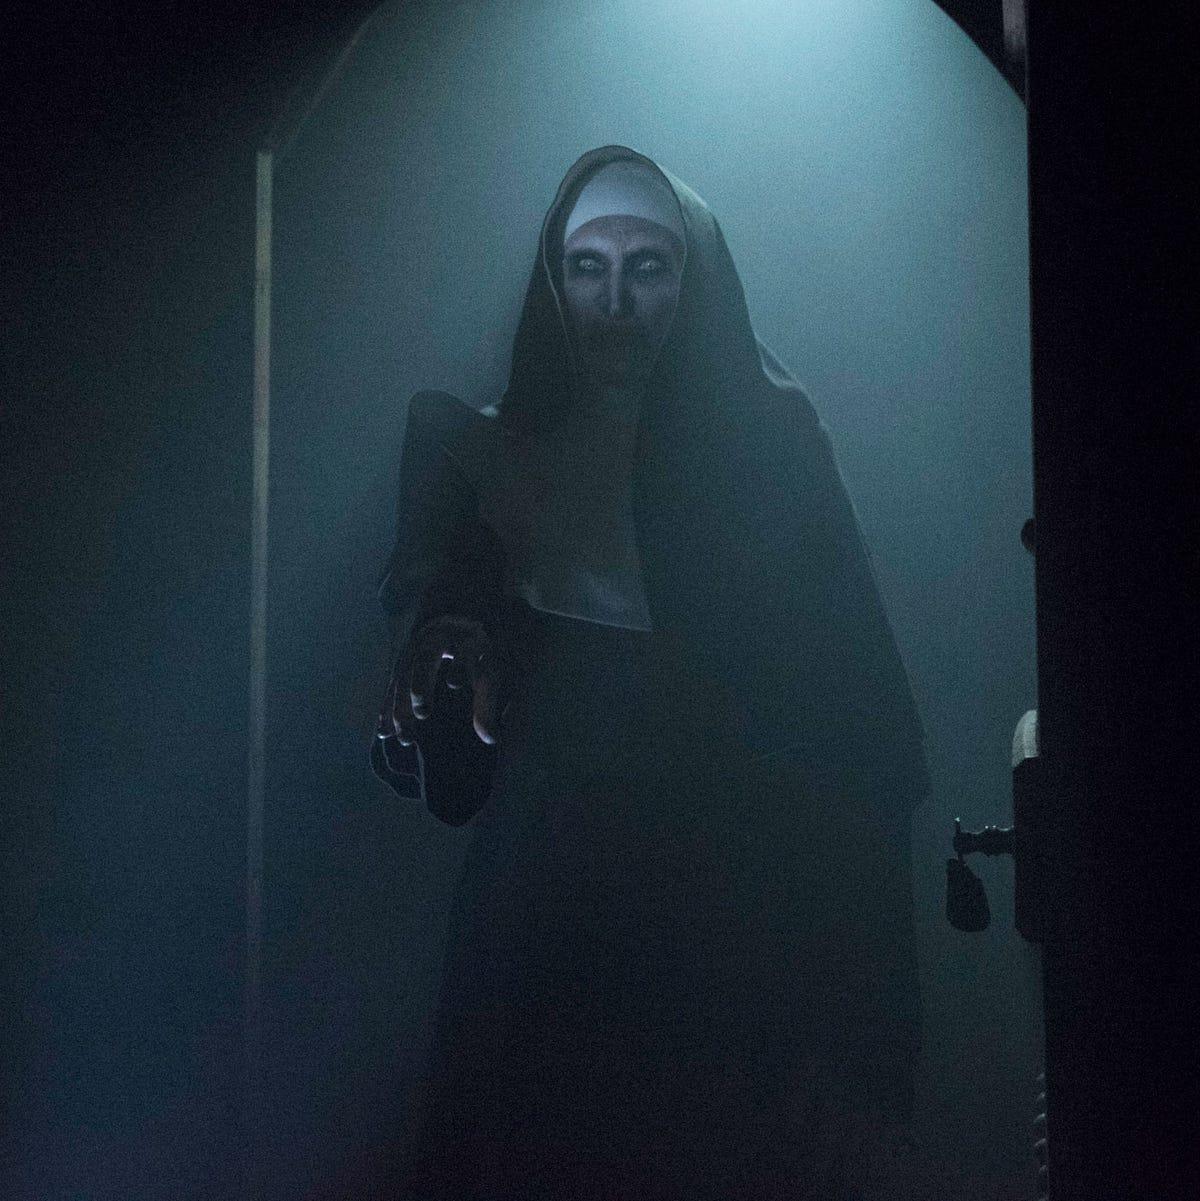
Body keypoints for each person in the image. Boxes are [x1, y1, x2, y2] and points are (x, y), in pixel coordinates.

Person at [372, 145, 929, 1201]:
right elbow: (445, 690)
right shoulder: (485, 453)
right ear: (554, 280)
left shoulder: (774, 451)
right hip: (537, 929)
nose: (616, 300)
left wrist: (863, 1044)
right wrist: (448, 643)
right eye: (588, 267)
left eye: (648, 267)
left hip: (726, 934)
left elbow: (862, 745)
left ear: (695, 280)